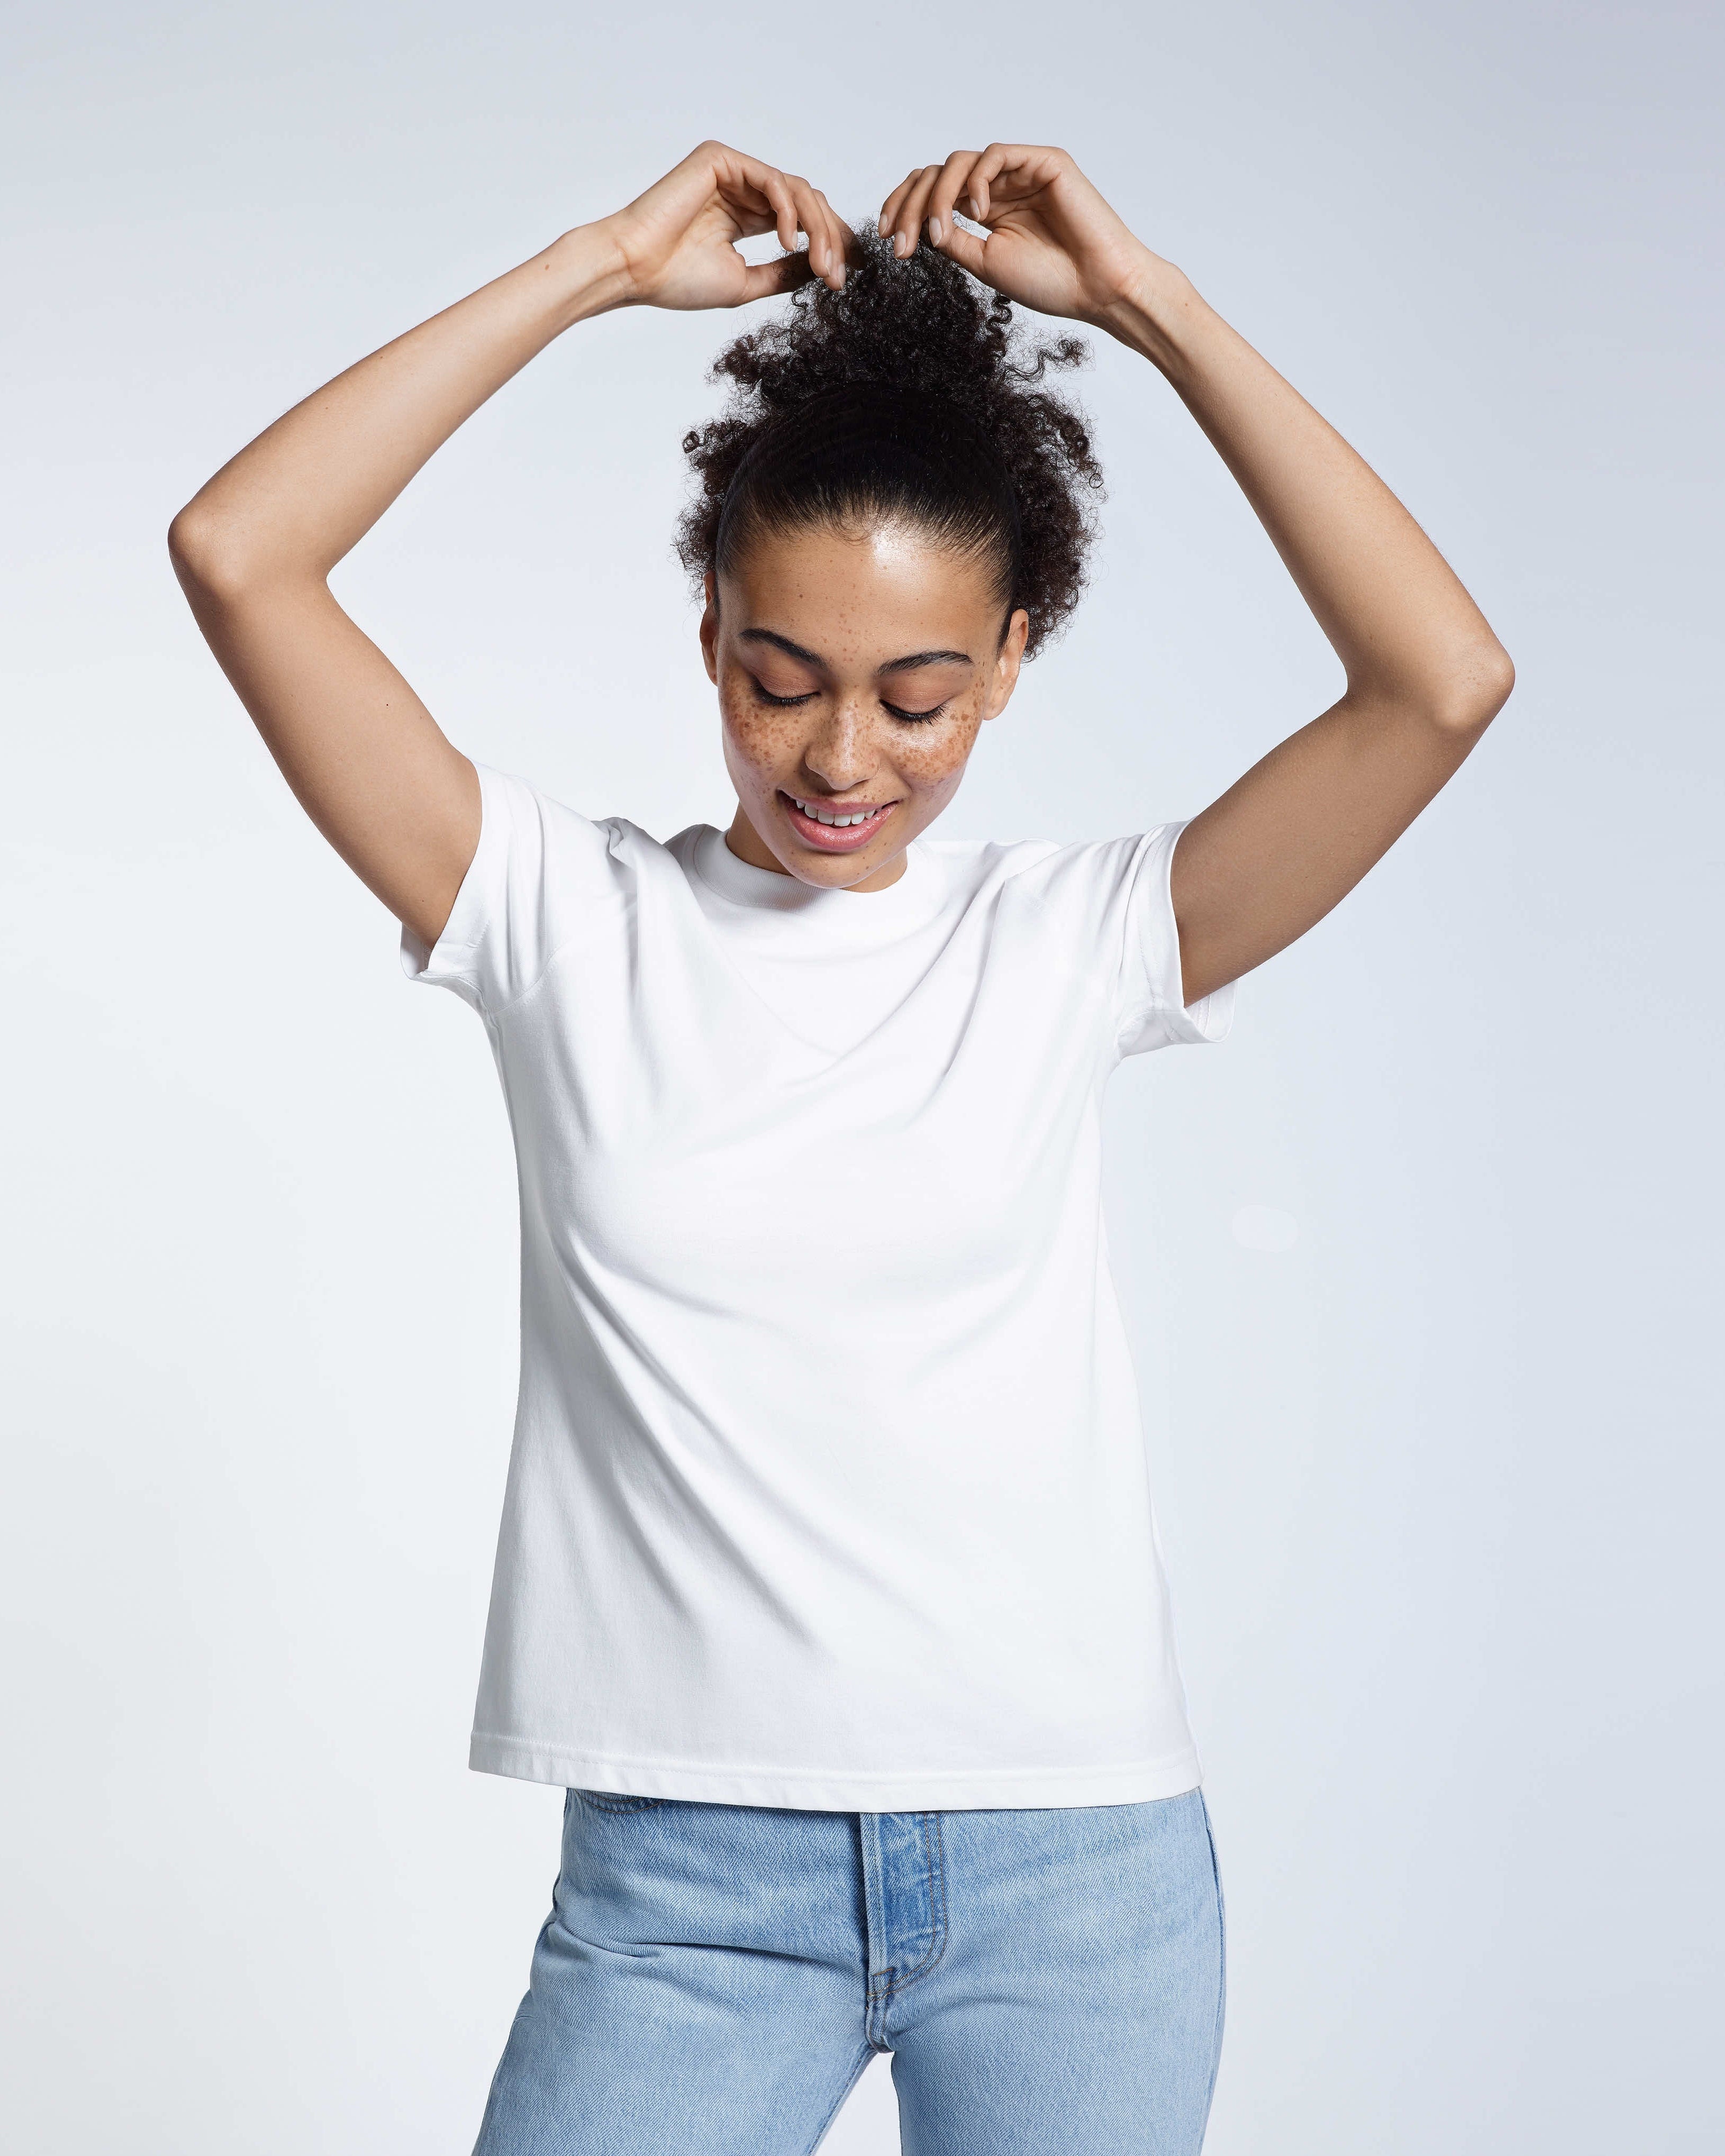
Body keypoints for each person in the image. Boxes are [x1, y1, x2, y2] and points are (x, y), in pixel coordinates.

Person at [168, 140, 1512, 2156]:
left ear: (1011, 666)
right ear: (709, 637)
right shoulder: (555, 917)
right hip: (690, 1889)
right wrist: (598, 269)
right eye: (781, 680)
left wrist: (1142, 302)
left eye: (917, 699)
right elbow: (238, 551)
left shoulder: (1066, 942)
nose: (839, 761)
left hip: (1078, 1875)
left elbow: (1440, 679)